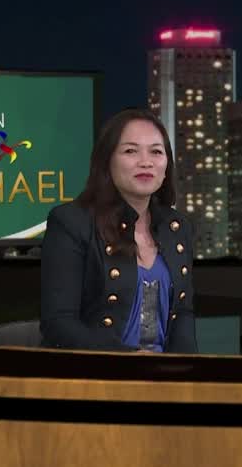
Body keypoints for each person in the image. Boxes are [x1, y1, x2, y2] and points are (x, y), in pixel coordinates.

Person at [40, 108, 198, 353]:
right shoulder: (71, 222)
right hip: (99, 368)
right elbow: (59, 323)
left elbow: (183, 314)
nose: (146, 162)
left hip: (164, 371)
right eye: (130, 151)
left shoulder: (177, 227)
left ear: (167, 164)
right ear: (107, 161)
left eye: (156, 151)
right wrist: (129, 359)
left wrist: (189, 369)